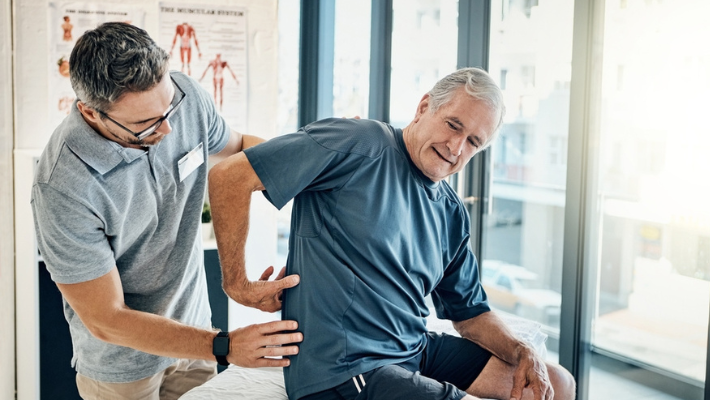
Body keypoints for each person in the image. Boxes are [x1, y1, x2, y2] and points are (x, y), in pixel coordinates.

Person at [208, 67, 576, 400]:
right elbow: (230, 176)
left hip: (414, 348)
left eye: (474, 142)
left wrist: (522, 351)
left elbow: (470, 313)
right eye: (453, 125)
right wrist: (236, 283)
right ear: (424, 107)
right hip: (344, 366)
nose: (456, 148)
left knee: (558, 384)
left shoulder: (450, 211)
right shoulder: (357, 141)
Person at [31, 22, 301, 400]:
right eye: (146, 125)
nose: (170, 129)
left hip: (195, 334)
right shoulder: (63, 184)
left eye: (169, 106)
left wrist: (312, 161)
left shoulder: (184, 96)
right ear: (91, 114)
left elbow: (239, 148)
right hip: (122, 366)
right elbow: (107, 319)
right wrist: (224, 346)